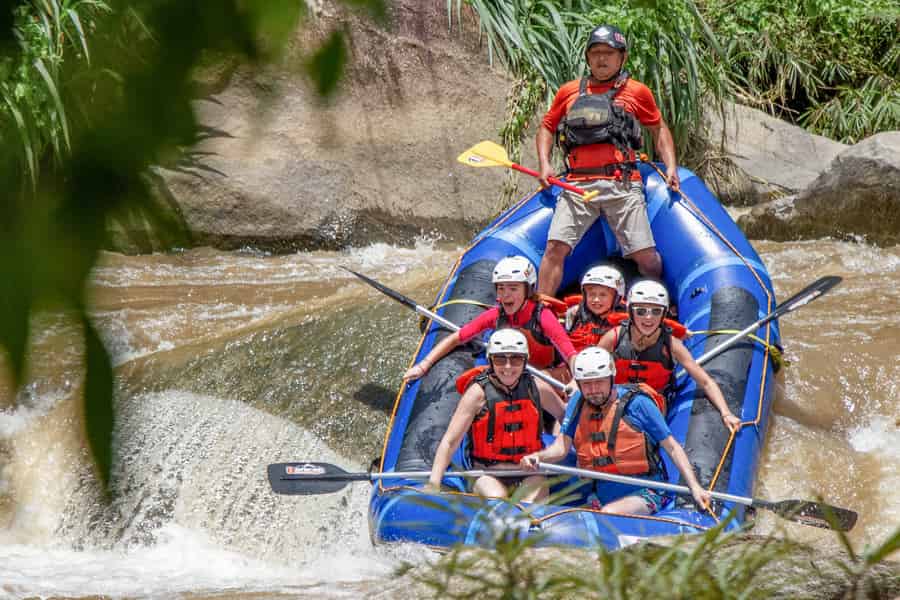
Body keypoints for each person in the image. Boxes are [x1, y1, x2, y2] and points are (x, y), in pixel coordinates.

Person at [535, 24, 680, 296]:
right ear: (588, 58)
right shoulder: (568, 91)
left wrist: (670, 166)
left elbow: (658, 128)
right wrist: (544, 163)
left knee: (646, 258)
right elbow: (546, 127)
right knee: (555, 248)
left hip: (622, 185)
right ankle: (542, 311)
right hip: (576, 187)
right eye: (596, 52)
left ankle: (658, 304)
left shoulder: (637, 92)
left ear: (622, 58)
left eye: (609, 53)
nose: (602, 59)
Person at [520, 347, 710, 514]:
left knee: (609, 512)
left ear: (611, 378)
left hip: (645, 491)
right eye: (586, 384)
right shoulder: (578, 402)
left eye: (599, 382)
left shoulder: (638, 403)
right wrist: (539, 457)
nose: (593, 390)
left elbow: (672, 448)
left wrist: (694, 486)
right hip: (600, 493)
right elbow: (561, 447)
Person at [428, 329, 566, 501]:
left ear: (525, 361)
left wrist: (559, 446)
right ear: (491, 360)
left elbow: (566, 420)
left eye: (515, 359)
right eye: (500, 359)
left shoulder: (538, 388)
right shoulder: (477, 394)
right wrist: (434, 484)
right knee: (497, 498)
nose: (508, 367)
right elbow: (450, 441)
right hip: (487, 472)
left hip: (529, 472)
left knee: (532, 502)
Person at [597, 280, 742, 433]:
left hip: (652, 404)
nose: (648, 318)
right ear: (631, 312)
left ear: (663, 314)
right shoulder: (613, 338)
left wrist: (726, 413)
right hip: (615, 399)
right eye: (641, 311)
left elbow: (706, 382)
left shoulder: (671, 344)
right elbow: (587, 373)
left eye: (656, 311)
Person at [404, 255, 577, 382]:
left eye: (513, 288)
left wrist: (579, 383)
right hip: (515, 370)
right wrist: (424, 365)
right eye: (501, 288)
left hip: (551, 373)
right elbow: (457, 338)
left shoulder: (543, 317)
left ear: (529, 290)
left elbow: (570, 356)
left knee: (530, 382)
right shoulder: (496, 315)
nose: (505, 295)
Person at [564, 265, 626, 352]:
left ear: (617, 298)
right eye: (591, 294)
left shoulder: (626, 322)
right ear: (585, 295)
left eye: (603, 295)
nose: (596, 300)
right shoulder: (574, 314)